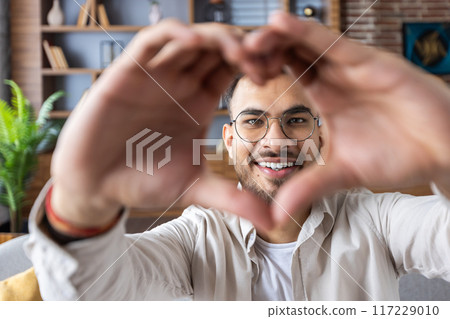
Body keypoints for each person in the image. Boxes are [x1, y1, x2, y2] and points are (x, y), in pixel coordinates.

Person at [25, 12, 450, 300]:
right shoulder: (194, 238)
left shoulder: (379, 219)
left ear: (322, 136)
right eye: (253, 122)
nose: (276, 141)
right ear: (228, 140)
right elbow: (93, 292)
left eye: (297, 120)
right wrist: (82, 200)